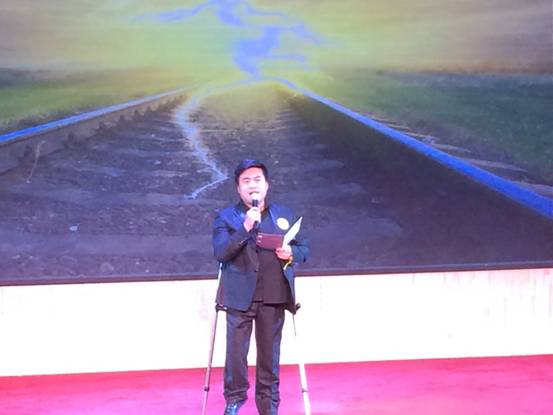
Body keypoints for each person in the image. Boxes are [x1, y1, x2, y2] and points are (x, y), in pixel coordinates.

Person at [212, 159, 309, 415]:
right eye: (246, 181)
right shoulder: (226, 217)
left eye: (257, 180)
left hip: (274, 295)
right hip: (239, 297)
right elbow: (221, 253)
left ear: (267, 185)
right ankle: (234, 400)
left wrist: (291, 253)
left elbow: (304, 249)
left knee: (269, 357)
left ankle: (268, 406)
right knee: (236, 355)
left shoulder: (284, 215)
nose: (252, 185)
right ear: (238, 188)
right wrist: (245, 226)